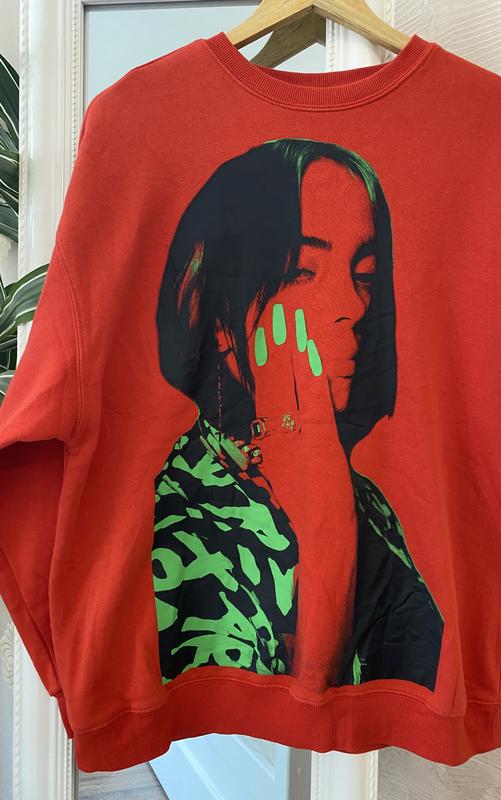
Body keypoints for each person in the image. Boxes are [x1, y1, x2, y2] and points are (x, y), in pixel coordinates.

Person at [152, 138, 444, 694]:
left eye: (365, 274)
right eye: (303, 271)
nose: (355, 307)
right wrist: (326, 527)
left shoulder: (368, 500)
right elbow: (298, 710)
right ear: (219, 315)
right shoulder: (182, 526)